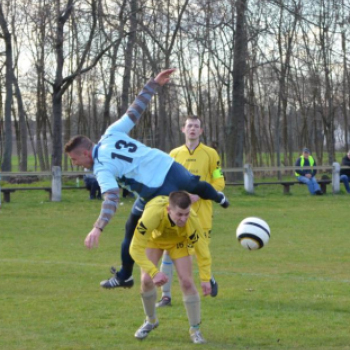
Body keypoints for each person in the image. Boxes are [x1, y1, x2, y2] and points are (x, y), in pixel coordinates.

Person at [64, 69, 229, 289]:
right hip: (167, 164)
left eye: (75, 160)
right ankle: (218, 197)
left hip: (155, 189)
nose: (76, 164)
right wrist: (152, 84)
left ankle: (125, 276)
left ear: (85, 153)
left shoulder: (101, 167)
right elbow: (135, 111)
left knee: (132, 229)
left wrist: (98, 227)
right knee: (194, 184)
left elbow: (111, 199)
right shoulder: (110, 133)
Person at [156, 115, 224, 307]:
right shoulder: (174, 154)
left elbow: (219, 181)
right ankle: (166, 296)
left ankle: (207, 277)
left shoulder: (211, 154)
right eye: (189, 126)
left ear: (201, 131)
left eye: (196, 126)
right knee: (169, 251)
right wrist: (180, 198)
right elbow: (165, 181)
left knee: (199, 251)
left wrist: (200, 195)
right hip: (177, 214)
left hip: (201, 214)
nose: (193, 129)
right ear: (183, 130)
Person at [130, 191, 211, 344]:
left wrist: (205, 278)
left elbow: (202, 250)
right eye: (179, 214)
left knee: (187, 282)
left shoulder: (191, 220)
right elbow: (134, 248)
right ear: (168, 209)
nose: (183, 218)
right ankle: (151, 320)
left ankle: (195, 330)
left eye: (186, 213)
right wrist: (154, 273)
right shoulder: (152, 214)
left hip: (178, 242)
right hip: (154, 241)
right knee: (146, 280)